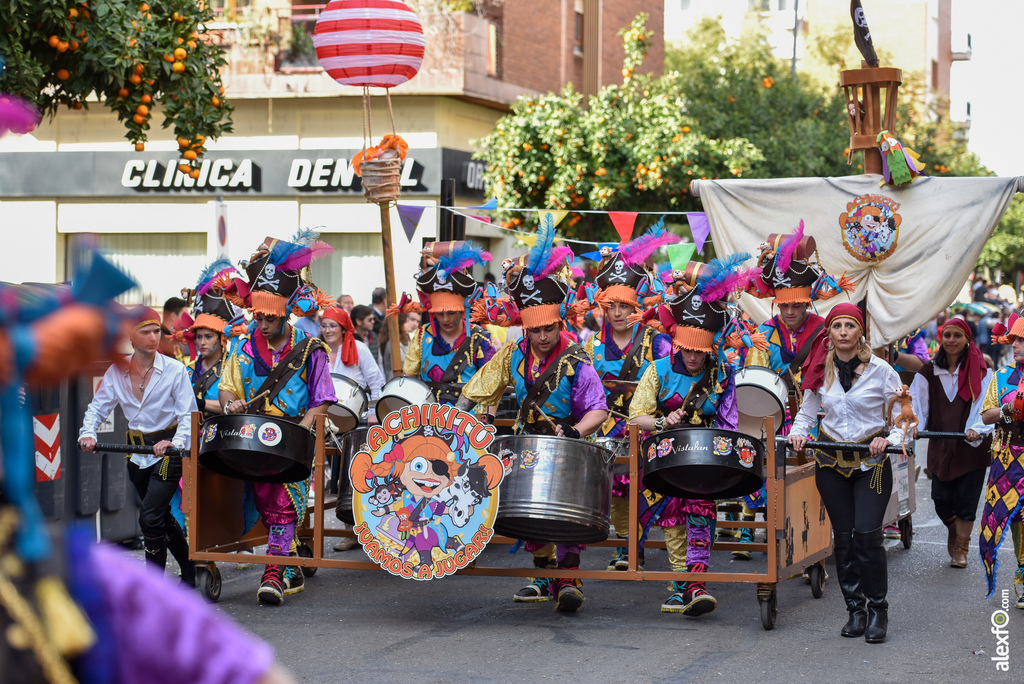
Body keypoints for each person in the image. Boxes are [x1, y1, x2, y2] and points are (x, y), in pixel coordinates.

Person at [459, 226, 608, 613]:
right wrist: (463, 420)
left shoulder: (577, 361)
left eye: (548, 328)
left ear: (560, 324)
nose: (542, 336)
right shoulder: (513, 354)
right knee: (532, 514)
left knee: (566, 520)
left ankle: (569, 579)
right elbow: (479, 389)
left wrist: (574, 429)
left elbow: (599, 409)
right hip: (528, 444)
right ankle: (544, 576)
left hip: (571, 444)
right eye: (535, 329)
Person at [628, 255, 753, 616]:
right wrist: (664, 422)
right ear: (677, 343)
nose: (695, 357)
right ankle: (680, 583)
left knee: (700, 515)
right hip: (665, 459)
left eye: (702, 351)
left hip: (704, 460)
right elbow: (637, 417)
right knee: (672, 518)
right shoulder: (657, 370)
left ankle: (696, 584)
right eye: (689, 350)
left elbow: (730, 423)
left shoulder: (723, 373)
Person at [219, 233, 337, 605]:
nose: (264, 323)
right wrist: (231, 404)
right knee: (266, 502)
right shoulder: (240, 346)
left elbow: (323, 401)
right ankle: (289, 564)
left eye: (271, 316)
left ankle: (272, 573)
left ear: (286, 311)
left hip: (293, 439)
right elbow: (226, 389)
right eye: (259, 316)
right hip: (253, 438)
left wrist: (298, 437)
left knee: (283, 501)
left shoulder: (310, 348)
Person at [788, 303, 906, 643]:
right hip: (829, 461)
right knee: (843, 538)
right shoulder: (819, 367)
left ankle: (878, 610)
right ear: (829, 332)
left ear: (860, 332)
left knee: (867, 535)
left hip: (871, 463)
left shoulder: (881, 370)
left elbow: (903, 413)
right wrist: (798, 433)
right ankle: (855, 609)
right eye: (836, 325)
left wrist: (891, 438)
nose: (842, 331)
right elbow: (807, 414)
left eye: (849, 326)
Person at [744, 226, 853, 559]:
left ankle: (818, 528)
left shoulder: (825, 331)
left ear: (807, 302)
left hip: (818, 414)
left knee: (821, 471)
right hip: (775, 414)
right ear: (776, 303)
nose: (790, 312)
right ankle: (757, 524)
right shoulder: (764, 331)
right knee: (762, 459)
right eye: (784, 306)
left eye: (797, 305)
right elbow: (756, 378)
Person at [573, 226, 676, 572]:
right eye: (610, 306)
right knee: (615, 490)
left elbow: (669, 381)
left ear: (636, 305)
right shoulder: (591, 346)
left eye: (624, 306)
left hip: (645, 428)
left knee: (644, 488)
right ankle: (624, 546)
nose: (617, 313)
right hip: (606, 428)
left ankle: (640, 545)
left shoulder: (656, 341)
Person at [79, 307, 198, 586]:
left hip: (169, 452)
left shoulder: (175, 370)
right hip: (137, 456)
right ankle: (190, 570)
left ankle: (153, 588)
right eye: (146, 332)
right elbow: (98, 408)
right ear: (131, 337)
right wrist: (88, 433)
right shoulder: (116, 371)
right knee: (161, 517)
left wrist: (174, 443)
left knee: (149, 516)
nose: (154, 337)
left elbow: (188, 416)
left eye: (157, 331)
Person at [910, 317, 993, 568]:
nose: (951, 340)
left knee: (967, 499)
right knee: (940, 498)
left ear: (968, 339)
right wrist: (914, 426)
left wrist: (976, 430)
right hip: (941, 445)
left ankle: (961, 549)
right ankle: (954, 529)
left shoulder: (982, 372)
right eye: (947, 335)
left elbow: (986, 406)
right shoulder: (929, 371)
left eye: (957, 335)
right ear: (941, 339)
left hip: (971, 447)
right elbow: (917, 403)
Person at [391, 241, 495, 406]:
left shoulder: (480, 338)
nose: (445, 319)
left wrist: (484, 419)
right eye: (439, 313)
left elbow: (491, 385)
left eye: (451, 313)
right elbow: (408, 381)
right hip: (428, 419)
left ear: (462, 310)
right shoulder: (421, 336)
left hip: (468, 424)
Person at [978, 309, 1024, 607]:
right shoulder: (1002, 376)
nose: (1015, 345)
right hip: (1007, 459)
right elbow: (985, 416)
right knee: (1016, 518)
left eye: (1022, 340)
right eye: (1015, 339)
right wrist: (1010, 410)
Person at [320, 305, 384, 401]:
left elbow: (377, 382)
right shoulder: (318, 352)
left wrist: (373, 412)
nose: (327, 331)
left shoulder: (359, 348)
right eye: (324, 326)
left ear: (343, 328)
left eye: (333, 326)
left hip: (357, 412)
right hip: (325, 412)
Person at [377, 311, 413, 382]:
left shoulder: (407, 340)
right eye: (406, 322)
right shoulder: (393, 343)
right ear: (399, 325)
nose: (409, 325)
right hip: (395, 382)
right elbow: (403, 363)